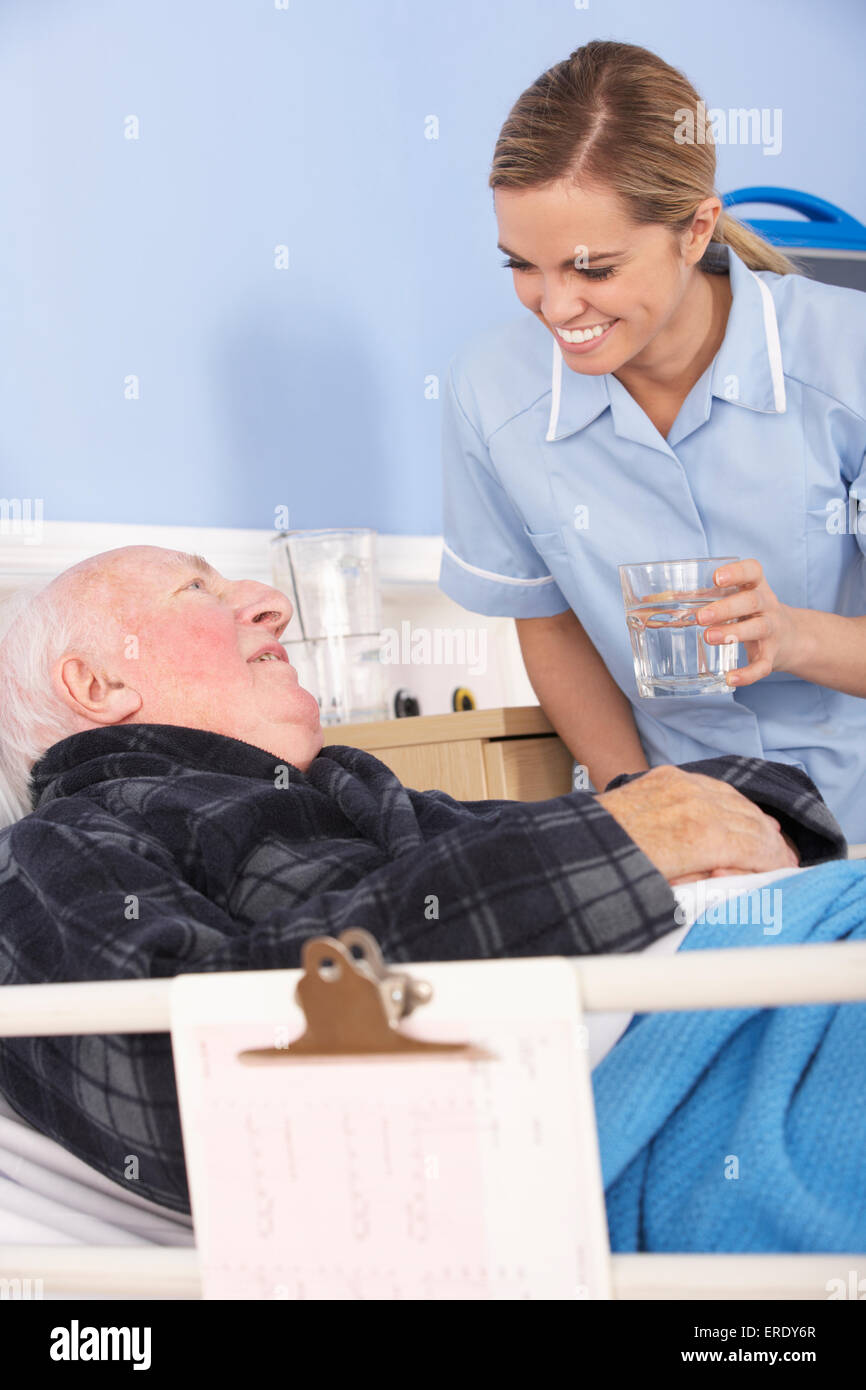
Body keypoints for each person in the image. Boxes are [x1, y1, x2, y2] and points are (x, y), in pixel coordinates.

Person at [0, 545, 842, 1212]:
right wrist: (616, 845)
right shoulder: (54, 851)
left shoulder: (352, 796)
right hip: (654, 1106)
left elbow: (754, 801)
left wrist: (727, 823)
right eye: (195, 590)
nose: (270, 600)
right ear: (98, 683)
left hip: (791, 965)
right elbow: (188, 1088)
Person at [438, 39, 866, 842]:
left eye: (592, 268)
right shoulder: (491, 392)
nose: (557, 306)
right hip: (690, 837)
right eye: (522, 265)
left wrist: (794, 635)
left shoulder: (848, 362)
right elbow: (551, 620)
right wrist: (641, 803)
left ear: (696, 228)